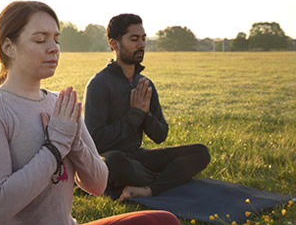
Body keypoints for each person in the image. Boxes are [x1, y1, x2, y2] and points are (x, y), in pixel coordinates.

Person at [0, 1, 182, 225]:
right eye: (40, 39)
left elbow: (98, 185)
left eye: (56, 40)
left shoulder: (61, 104)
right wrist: (56, 146)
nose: (53, 48)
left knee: (163, 222)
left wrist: (74, 141)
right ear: (9, 47)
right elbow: (0, 207)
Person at [84, 13, 211, 202]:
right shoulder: (99, 84)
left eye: (143, 39)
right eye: (134, 39)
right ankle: (164, 180)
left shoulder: (145, 84)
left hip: (139, 159)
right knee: (115, 160)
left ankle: (148, 189)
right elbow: (94, 141)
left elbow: (160, 136)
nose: (142, 45)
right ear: (114, 44)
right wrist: (134, 115)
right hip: (111, 161)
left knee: (200, 152)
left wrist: (145, 115)